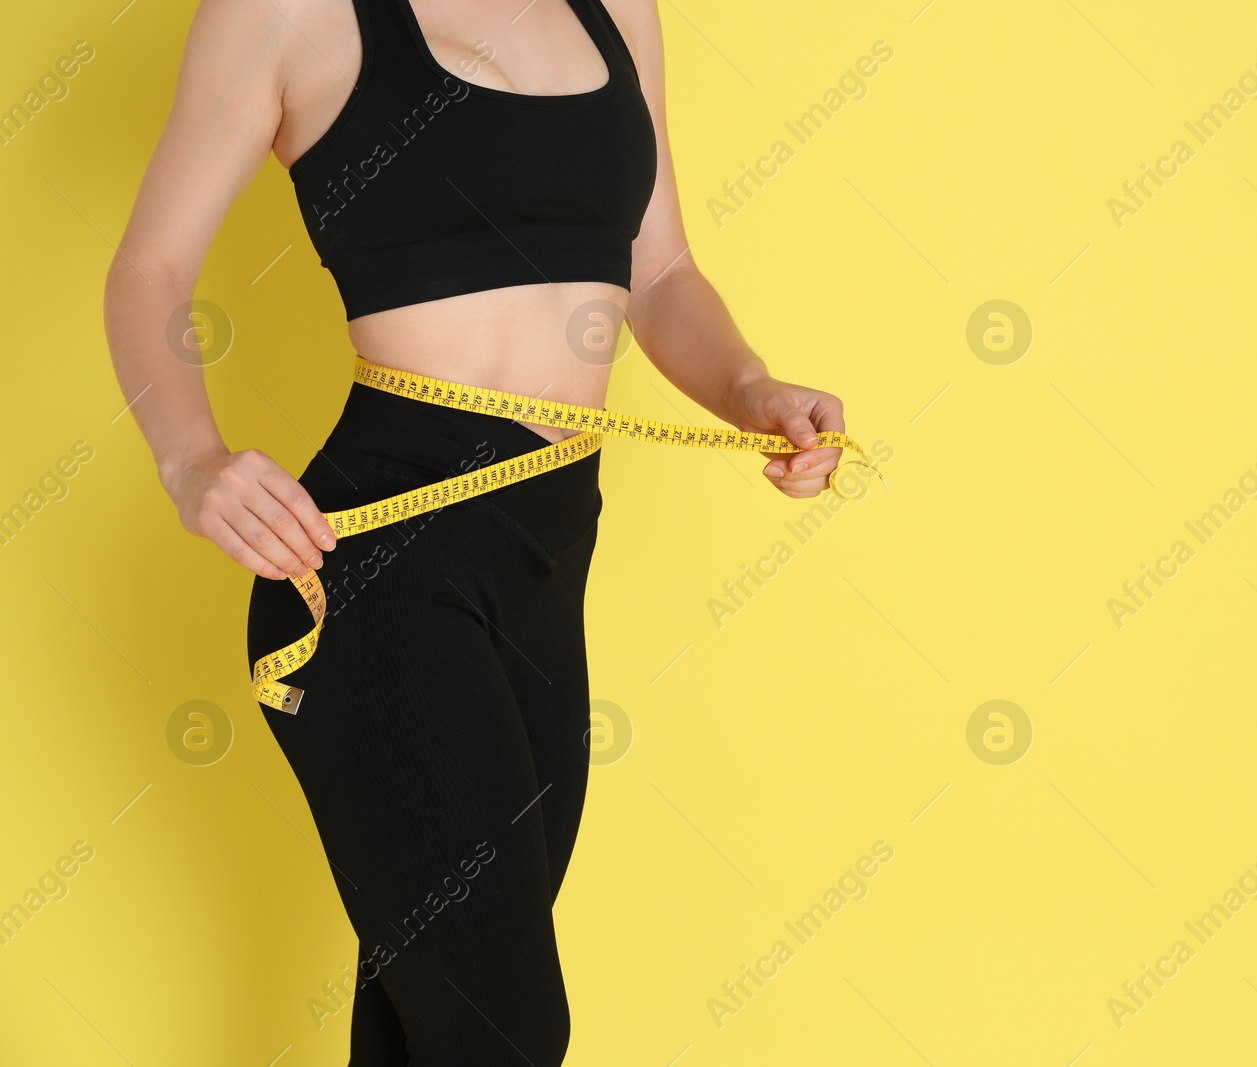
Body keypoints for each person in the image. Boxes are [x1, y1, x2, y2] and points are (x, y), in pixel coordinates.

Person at [103, 1, 852, 1062]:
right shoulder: (286, 11)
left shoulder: (613, 12)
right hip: (373, 571)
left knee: (428, 1022)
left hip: (547, 565)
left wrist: (749, 388)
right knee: (505, 1033)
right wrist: (191, 459)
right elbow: (152, 270)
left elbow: (663, 270)